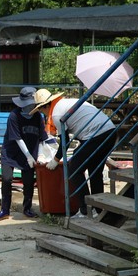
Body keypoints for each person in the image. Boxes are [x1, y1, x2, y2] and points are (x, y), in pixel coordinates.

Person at [32, 89, 117, 218]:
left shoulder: (56, 114)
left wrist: (55, 159)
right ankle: (97, 209)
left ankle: (85, 210)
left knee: (74, 170)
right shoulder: (66, 103)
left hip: (95, 135)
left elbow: (64, 141)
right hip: (109, 131)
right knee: (95, 172)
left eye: (40, 110)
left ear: (45, 106)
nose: (42, 113)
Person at [0, 87, 48, 221]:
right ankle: (4, 209)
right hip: (11, 152)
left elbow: (42, 138)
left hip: (30, 152)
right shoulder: (14, 116)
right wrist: (28, 155)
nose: (29, 107)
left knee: (28, 182)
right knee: (6, 179)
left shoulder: (38, 117)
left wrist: (40, 155)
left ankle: (27, 208)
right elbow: (17, 138)